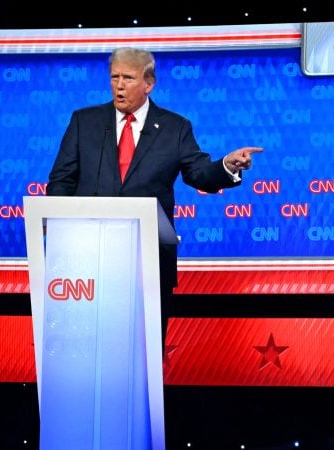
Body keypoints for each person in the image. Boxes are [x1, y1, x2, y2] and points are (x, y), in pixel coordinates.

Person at [47, 47, 262, 350]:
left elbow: (198, 173)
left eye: (129, 78)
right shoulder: (85, 122)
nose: (119, 85)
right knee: (87, 349)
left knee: (142, 352)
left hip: (148, 263)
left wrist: (227, 165)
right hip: (88, 261)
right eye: (114, 77)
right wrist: (60, 227)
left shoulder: (175, 127)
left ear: (149, 83)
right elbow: (61, 181)